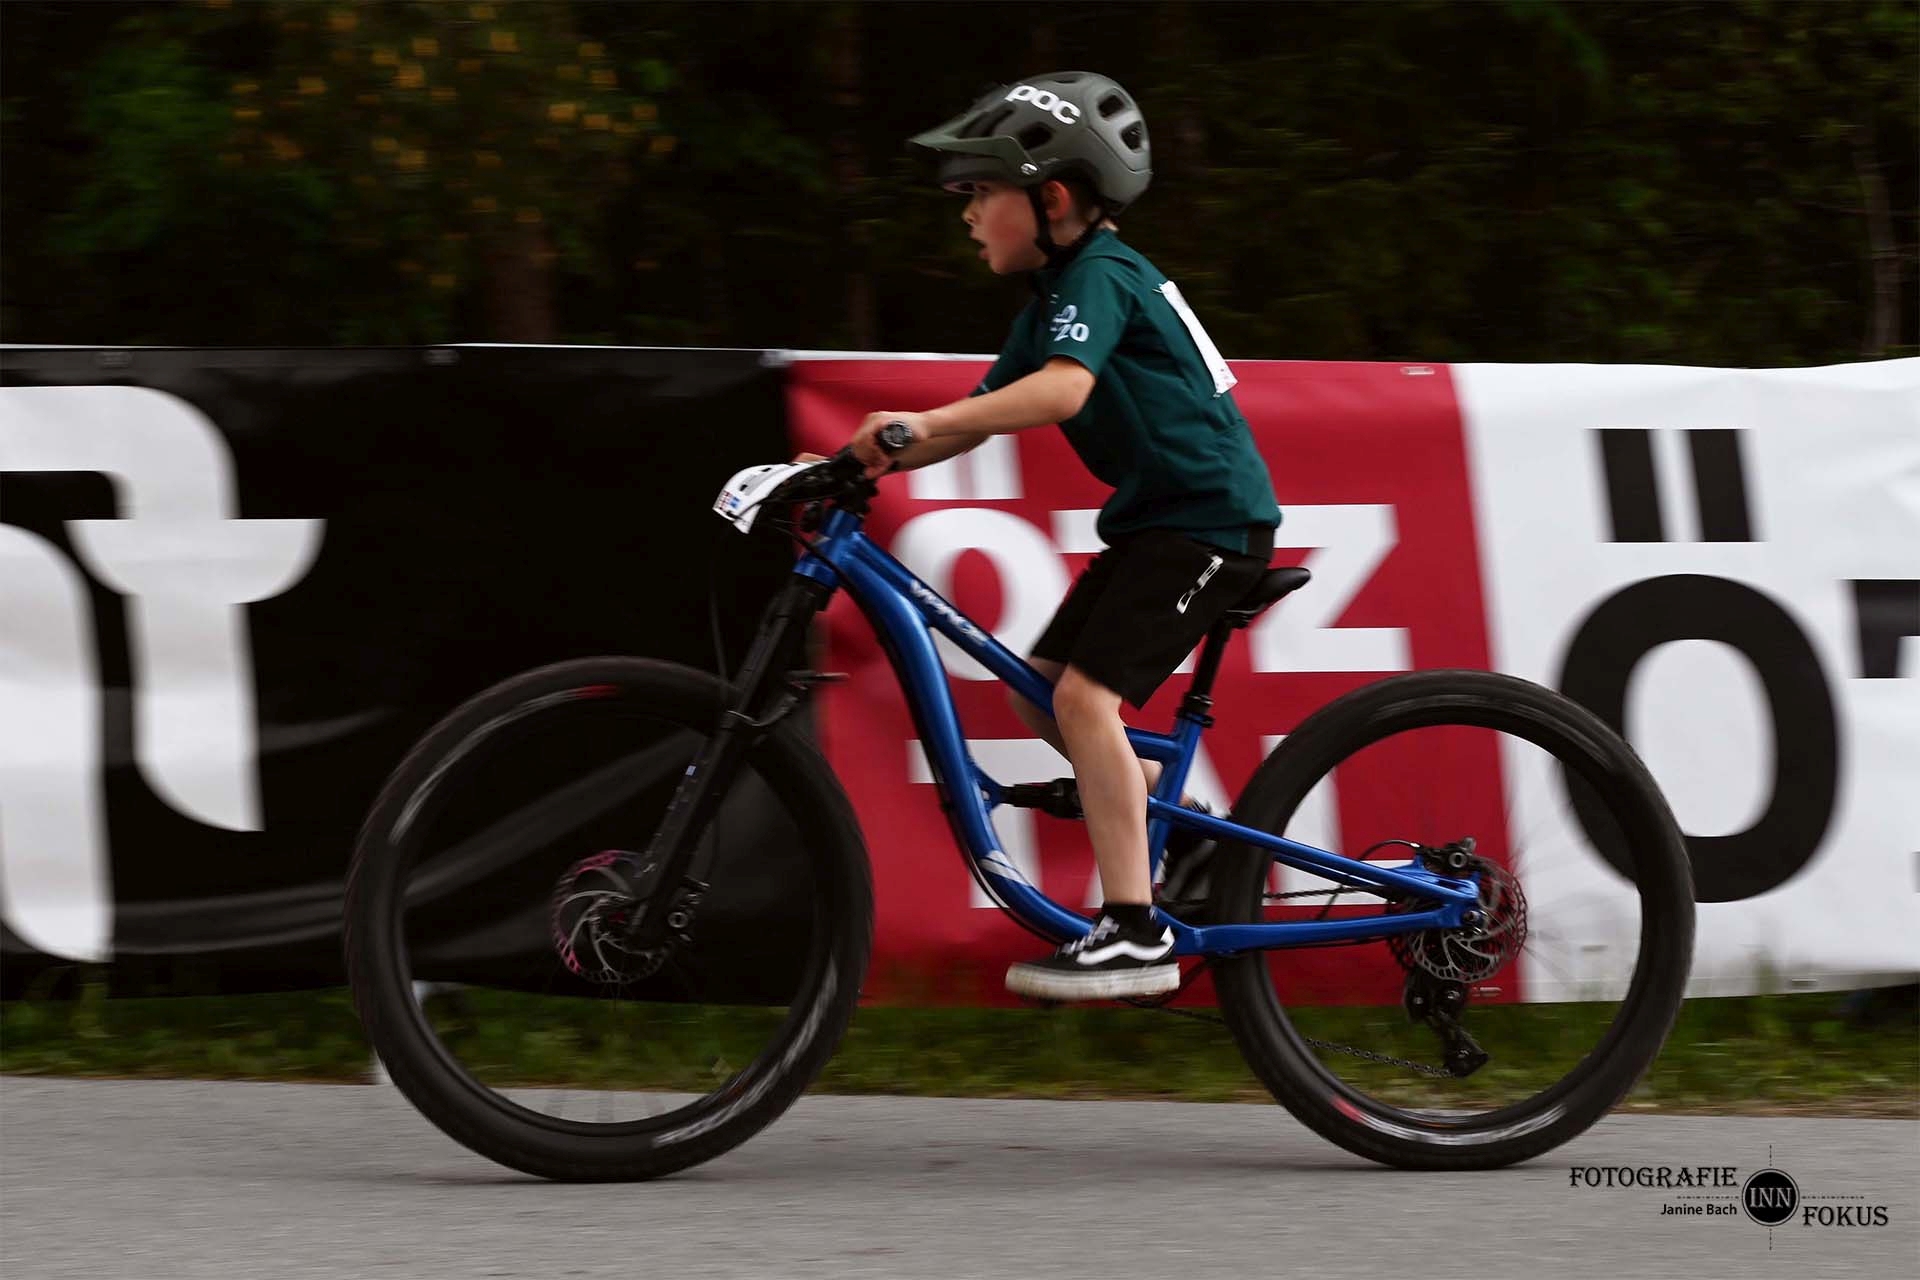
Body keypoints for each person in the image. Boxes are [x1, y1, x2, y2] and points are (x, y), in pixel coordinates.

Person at [839, 72, 1281, 1001]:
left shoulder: (1101, 276)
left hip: (1208, 522)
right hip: (1160, 525)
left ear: (1054, 199)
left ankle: (1133, 932)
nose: (967, 213)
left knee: (1083, 700)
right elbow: (969, 422)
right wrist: (854, 463)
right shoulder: (1051, 301)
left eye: (980, 191)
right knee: (1039, 693)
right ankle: (1189, 835)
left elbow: (1061, 391)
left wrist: (914, 426)